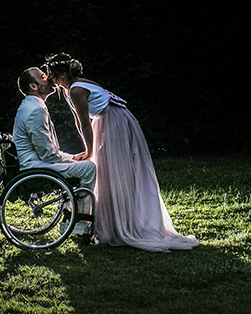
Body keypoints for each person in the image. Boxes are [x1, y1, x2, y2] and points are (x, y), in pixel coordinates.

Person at [43, 53, 198, 252]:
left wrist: (89, 150)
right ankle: (112, 220)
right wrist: (88, 148)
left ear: (63, 74)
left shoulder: (77, 89)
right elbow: (77, 120)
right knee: (107, 171)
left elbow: (84, 122)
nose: (50, 79)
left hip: (114, 122)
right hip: (110, 120)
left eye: (52, 74)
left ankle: (125, 224)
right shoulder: (70, 88)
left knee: (114, 172)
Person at [12, 67, 96, 235]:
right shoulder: (35, 110)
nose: (49, 78)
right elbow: (48, 154)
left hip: (36, 161)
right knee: (89, 168)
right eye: (43, 77)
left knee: (82, 163)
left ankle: (70, 214)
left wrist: (72, 157)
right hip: (35, 166)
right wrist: (71, 159)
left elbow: (47, 151)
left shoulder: (31, 105)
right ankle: (77, 222)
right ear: (33, 86)